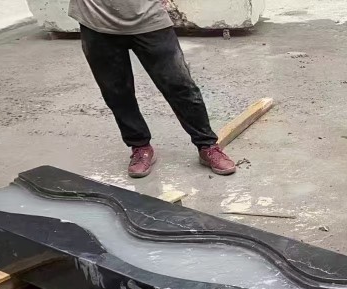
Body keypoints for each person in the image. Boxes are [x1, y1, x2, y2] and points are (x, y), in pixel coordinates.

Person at [68, 0, 236, 178]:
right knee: (116, 91)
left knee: (179, 85)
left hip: (149, 17)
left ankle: (207, 145)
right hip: (95, 20)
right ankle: (140, 146)